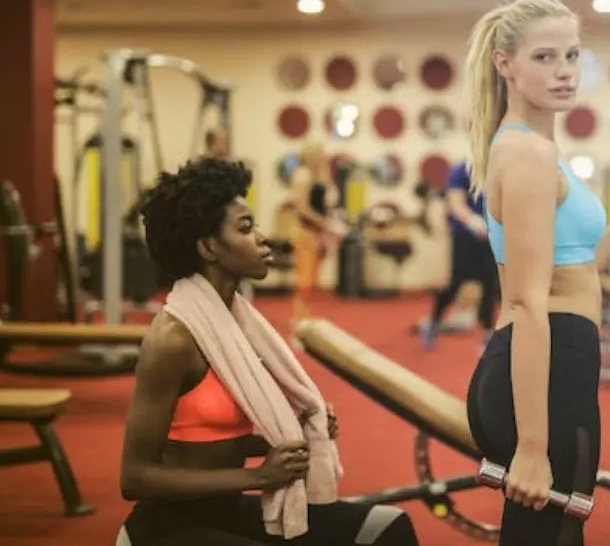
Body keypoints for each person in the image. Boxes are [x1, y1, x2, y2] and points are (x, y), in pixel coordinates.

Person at [119, 158, 418, 545]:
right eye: (246, 228)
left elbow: (214, 441)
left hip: (227, 509)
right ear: (209, 247)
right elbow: (135, 476)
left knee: (386, 527)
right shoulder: (173, 340)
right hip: (170, 528)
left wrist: (299, 437)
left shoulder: (235, 323)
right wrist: (258, 477)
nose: (262, 238)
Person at [462, 0, 610, 546]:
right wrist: (532, 447)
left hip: (559, 359)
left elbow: (581, 267)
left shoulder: (536, 148)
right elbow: (529, 301)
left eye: (572, 56)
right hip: (543, 368)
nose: (565, 72)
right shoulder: (526, 154)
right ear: (506, 63)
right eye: (546, 57)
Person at [420, 160, 499, 351]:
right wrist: (472, 221)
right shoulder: (461, 170)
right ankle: (433, 323)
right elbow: (455, 202)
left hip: (491, 236)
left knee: (491, 286)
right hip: (465, 237)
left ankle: (488, 334)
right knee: (455, 283)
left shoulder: (498, 166)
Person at [289, 142, 346, 319]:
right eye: (312, 155)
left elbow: (327, 202)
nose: (316, 159)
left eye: (318, 155)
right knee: (305, 281)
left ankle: (306, 319)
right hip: (307, 233)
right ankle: (299, 322)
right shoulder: (302, 176)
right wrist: (326, 225)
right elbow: (302, 209)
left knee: (313, 281)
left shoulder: (320, 175)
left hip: (320, 233)